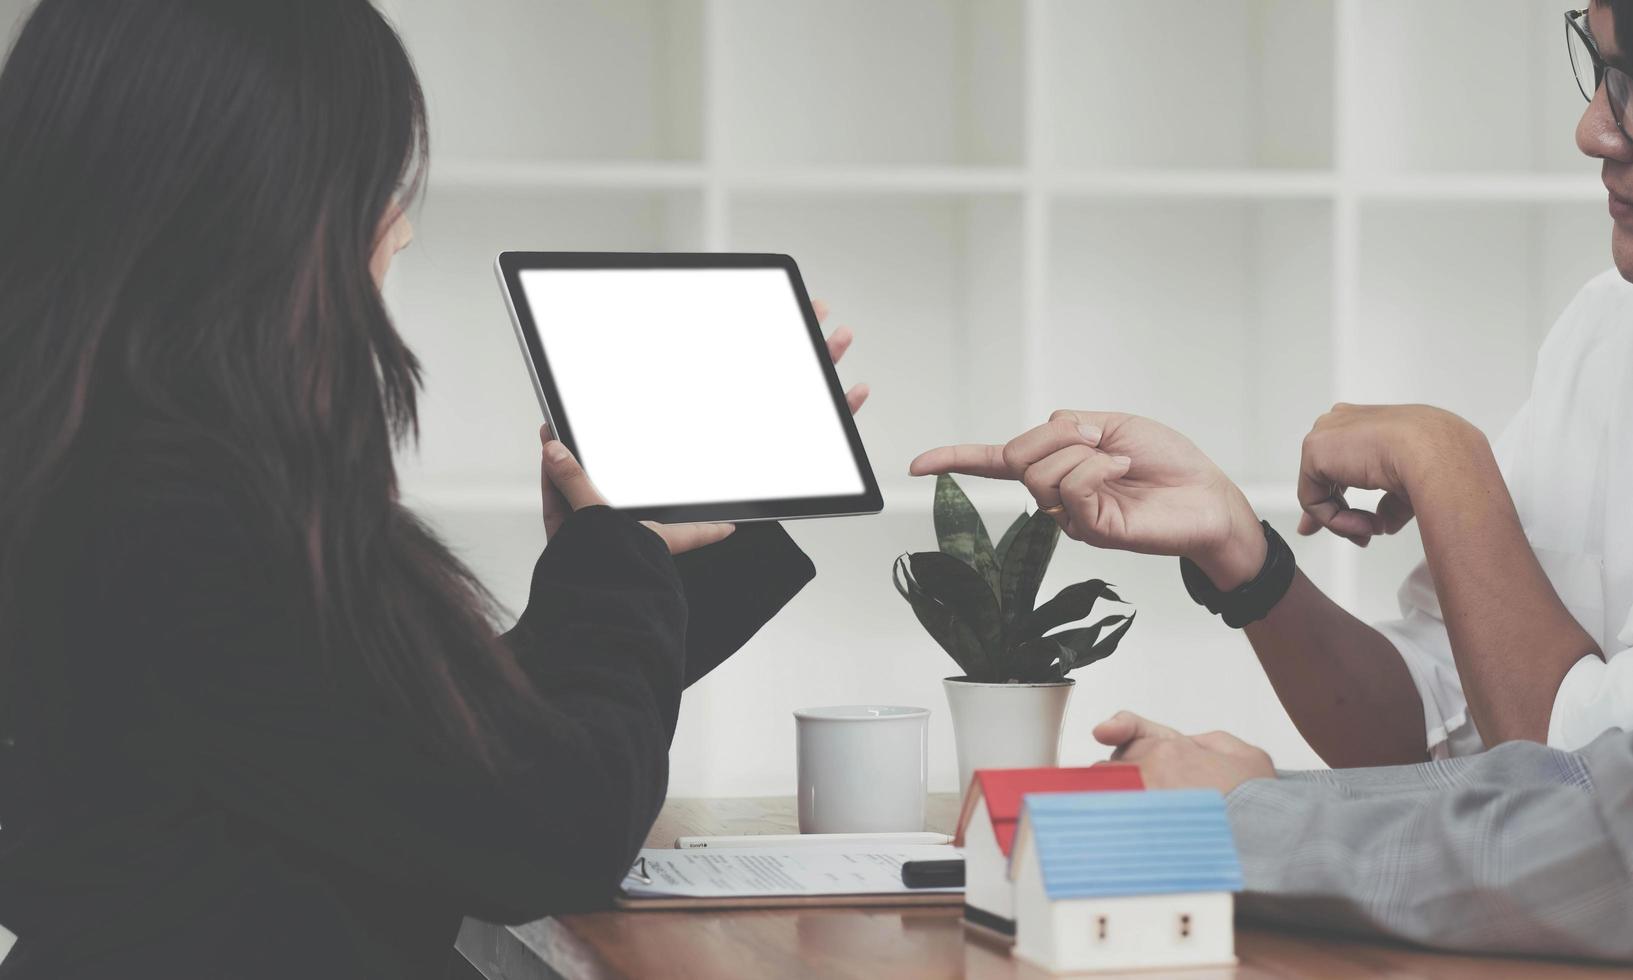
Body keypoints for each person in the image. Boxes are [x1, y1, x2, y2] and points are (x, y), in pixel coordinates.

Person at [0, 2, 866, 977]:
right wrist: (608, 552)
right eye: (369, 178)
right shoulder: (188, 512)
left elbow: (415, 763)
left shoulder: (101, 472)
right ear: (251, 199)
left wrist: (625, 548)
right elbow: (541, 829)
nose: (398, 226)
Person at [912, 0, 1633, 962]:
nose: (1592, 127)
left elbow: (1582, 811)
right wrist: (1243, 559)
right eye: (1599, 68)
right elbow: (1436, 731)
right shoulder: (1603, 322)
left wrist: (1445, 461)